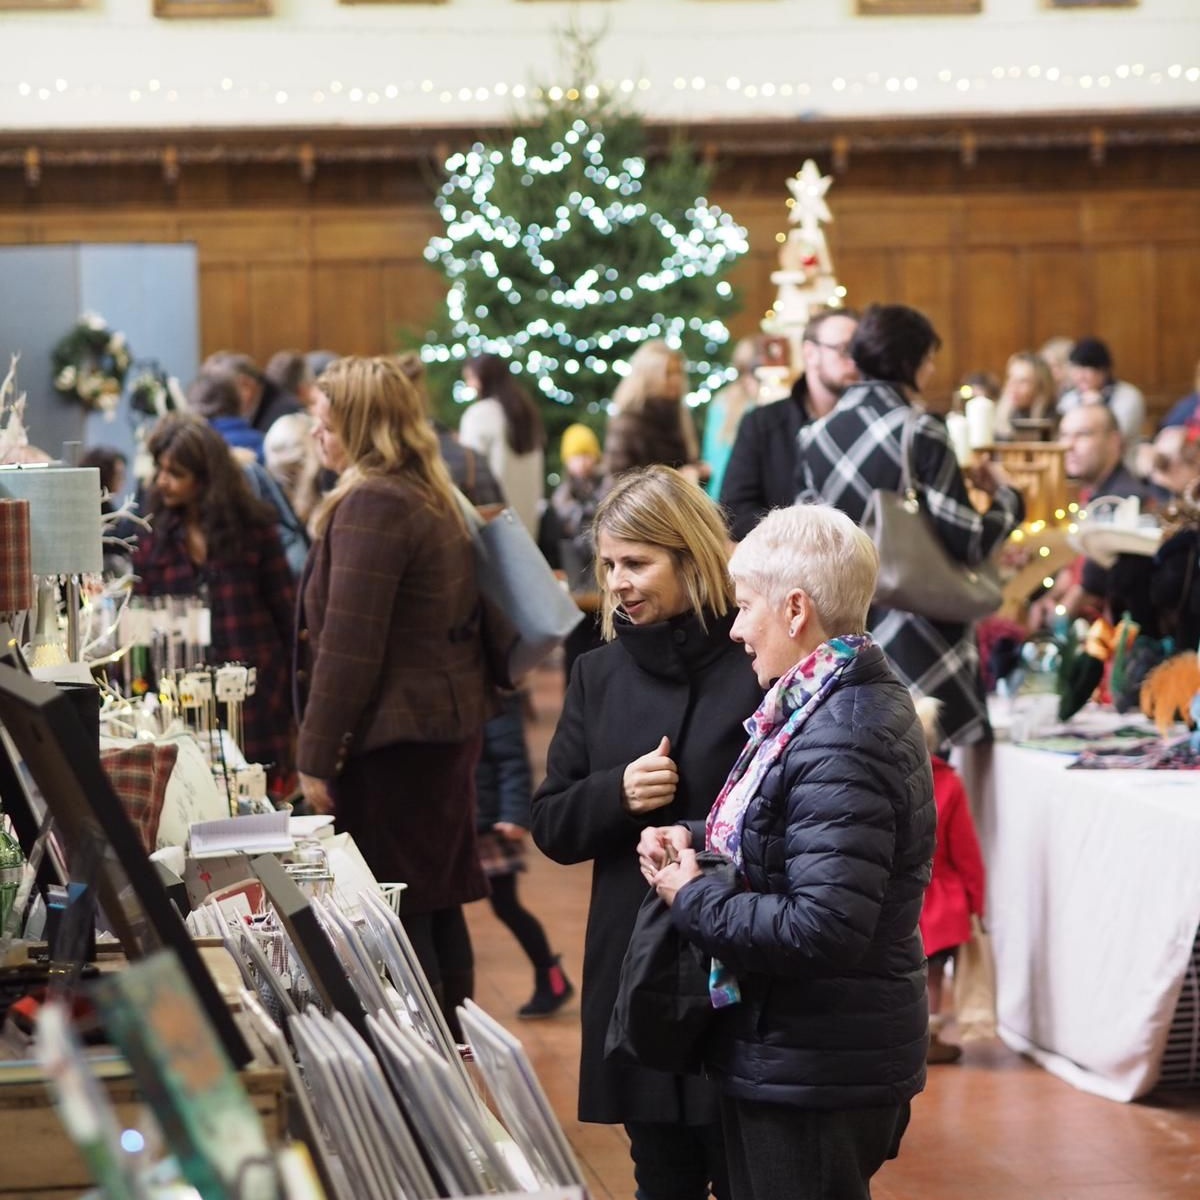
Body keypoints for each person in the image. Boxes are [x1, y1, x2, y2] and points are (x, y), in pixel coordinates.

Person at [638, 503, 936, 1200]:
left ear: (796, 608)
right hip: (802, 1049)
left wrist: (693, 894)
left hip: (818, 1063)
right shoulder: (820, 702)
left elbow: (822, 926)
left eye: (746, 608)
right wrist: (698, 842)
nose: (737, 629)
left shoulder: (844, 731)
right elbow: (786, 839)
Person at [531, 465, 761, 1200]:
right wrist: (618, 794)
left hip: (735, 964)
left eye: (638, 562)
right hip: (637, 968)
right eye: (608, 565)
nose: (619, 582)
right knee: (659, 1173)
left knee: (745, 1166)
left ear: (692, 557)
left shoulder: (756, 664)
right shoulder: (598, 674)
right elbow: (553, 824)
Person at [295, 356, 494, 1035]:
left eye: (324, 424)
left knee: (399, 911)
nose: (316, 437)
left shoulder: (374, 504)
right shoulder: (422, 490)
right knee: (435, 904)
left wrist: (315, 758)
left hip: (397, 747)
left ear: (358, 426)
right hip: (434, 734)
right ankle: (453, 1052)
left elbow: (349, 651)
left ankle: (422, 1060)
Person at [799, 303, 1024, 747]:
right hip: (922, 627)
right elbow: (970, 540)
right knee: (935, 782)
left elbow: (812, 539)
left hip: (850, 627)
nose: (932, 367)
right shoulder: (919, 428)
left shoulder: (814, 435)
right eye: (927, 357)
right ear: (909, 362)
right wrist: (1010, 499)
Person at [133, 413, 295, 791]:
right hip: (185, 701)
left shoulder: (254, 529)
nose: (162, 481)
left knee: (261, 800)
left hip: (255, 695)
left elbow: (287, 616)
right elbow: (142, 624)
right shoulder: (153, 537)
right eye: (160, 469)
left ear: (205, 477)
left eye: (175, 473)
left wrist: (291, 703)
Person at [720, 307, 859, 541]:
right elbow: (734, 510)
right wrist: (798, 537)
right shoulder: (762, 423)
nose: (854, 362)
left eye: (860, 351)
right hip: (783, 566)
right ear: (810, 353)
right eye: (844, 350)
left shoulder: (873, 424)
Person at [914, 697, 985, 1067]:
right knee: (935, 976)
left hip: (902, 902)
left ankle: (907, 1034)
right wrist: (977, 902)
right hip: (942, 904)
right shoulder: (949, 784)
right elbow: (966, 852)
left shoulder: (881, 780)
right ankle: (930, 1036)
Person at [460, 353, 546, 537]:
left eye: (470, 378)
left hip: (494, 521)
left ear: (483, 378)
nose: (469, 385)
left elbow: (469, 469)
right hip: (527, 517)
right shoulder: (526, 412)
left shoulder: (479, 415)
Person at [604, 341, 701, 481]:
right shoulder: (628, 422)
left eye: (678, 372)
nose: (676, 380)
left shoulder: (679, 415)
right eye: (668, 373)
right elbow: (620, 482)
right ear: (649, 376)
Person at [1057, 336, 1146, 471]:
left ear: (1104, 370)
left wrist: (1098, 407)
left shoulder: (1128, 396)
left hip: (1123, 467)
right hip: (1076, 468)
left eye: (1087, 369)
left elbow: (1117, 437)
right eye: (1076, 369)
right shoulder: (1069, 399)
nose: (1080, 376)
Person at [701, 337, 760, 502]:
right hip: (742, 494)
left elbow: (708, 455)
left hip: (717, 496)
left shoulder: (720, 399)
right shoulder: (761, 402)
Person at [994, 351, 1056, 440]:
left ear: (1040, 387)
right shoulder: (997, 419)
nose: (1013, 386)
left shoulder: (1054, 421)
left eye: (1023, 381)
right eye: (1010, 378)